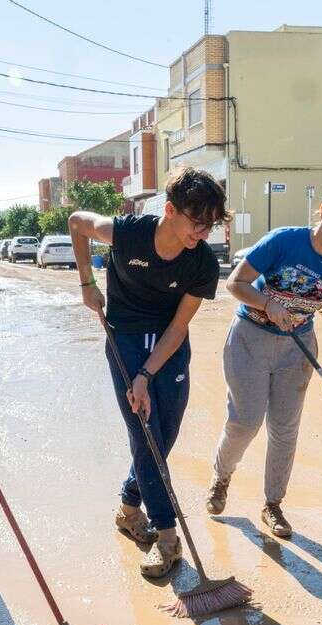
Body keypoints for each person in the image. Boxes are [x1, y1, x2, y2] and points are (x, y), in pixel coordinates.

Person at [68, 166, 229, 578]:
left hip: (169, 345)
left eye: (211, 225)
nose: (204, 233)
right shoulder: (128, 233)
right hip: (123, 336)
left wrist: (144, 375)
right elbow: (76, 223)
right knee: (146, 436)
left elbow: (178, 328)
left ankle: (128, 507)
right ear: (171, 211)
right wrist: (87, 282)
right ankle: (167, 537)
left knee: (165, 434)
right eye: (198, 222)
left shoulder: (203, 264)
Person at [206, 182, 322, 538]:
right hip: (249, 337)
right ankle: (221, 478)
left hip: (297, 349)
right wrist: (267, 303)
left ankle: (273, 504)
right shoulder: (284, 241)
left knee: (284, 428)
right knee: (246, 421)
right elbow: (235, 283)